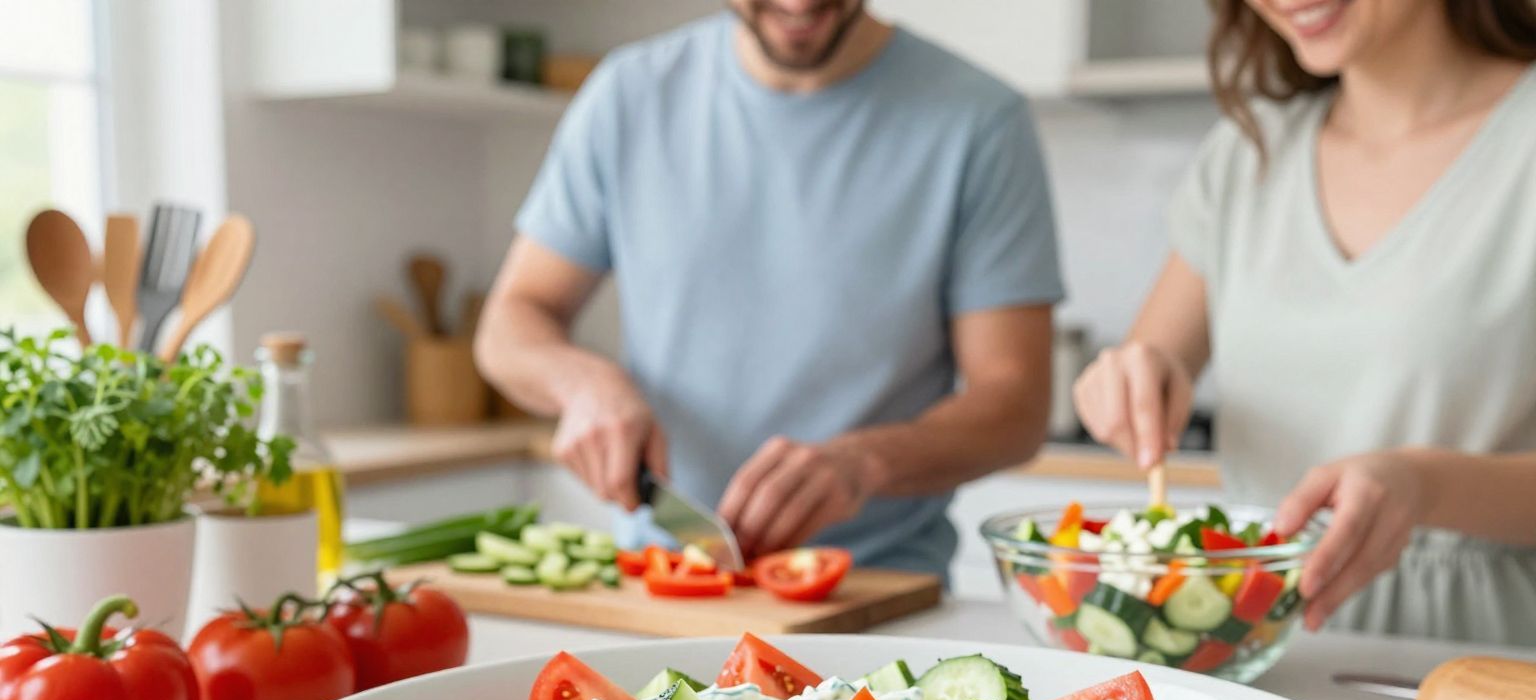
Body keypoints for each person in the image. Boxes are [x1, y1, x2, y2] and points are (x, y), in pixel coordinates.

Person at [475, 0, 1063, 577]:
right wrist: (583, 386)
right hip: (661, 572)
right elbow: (514, 320)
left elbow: (1014, 403)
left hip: (876, 585)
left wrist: (865, 462)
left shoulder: (979, 118)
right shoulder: (627, 95)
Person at [1074, 0, 1536, 645]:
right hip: (1257, 647)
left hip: (1483, 656)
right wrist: (1126, 384)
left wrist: (1423, 485)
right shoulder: (1248, 151)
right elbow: (1150, 362)